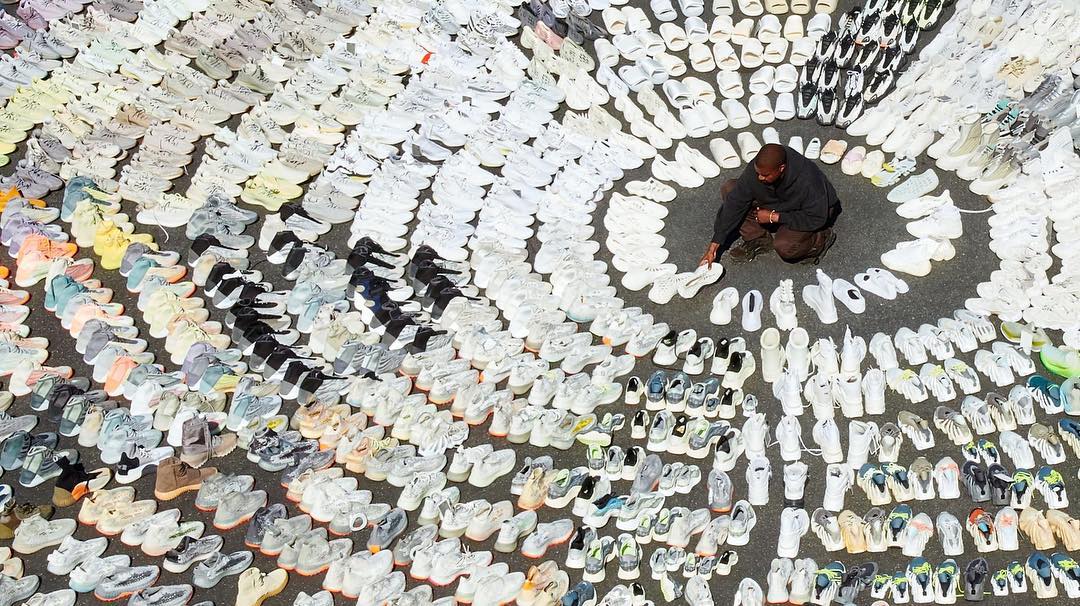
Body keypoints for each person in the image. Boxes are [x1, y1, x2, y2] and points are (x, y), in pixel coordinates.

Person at [699, 143, 841, 266]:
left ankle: (820, 238)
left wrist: (774, 217)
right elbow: (735, 201)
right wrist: (714, 245)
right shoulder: (760, 168)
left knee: (785, 247)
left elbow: (816, 217)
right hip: (780, 202)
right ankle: (758, 238)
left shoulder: (808, 181)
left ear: (781, 168)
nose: (760, 177)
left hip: (814, 212)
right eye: (758, 173)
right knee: (730, 189)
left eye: (765, 175)